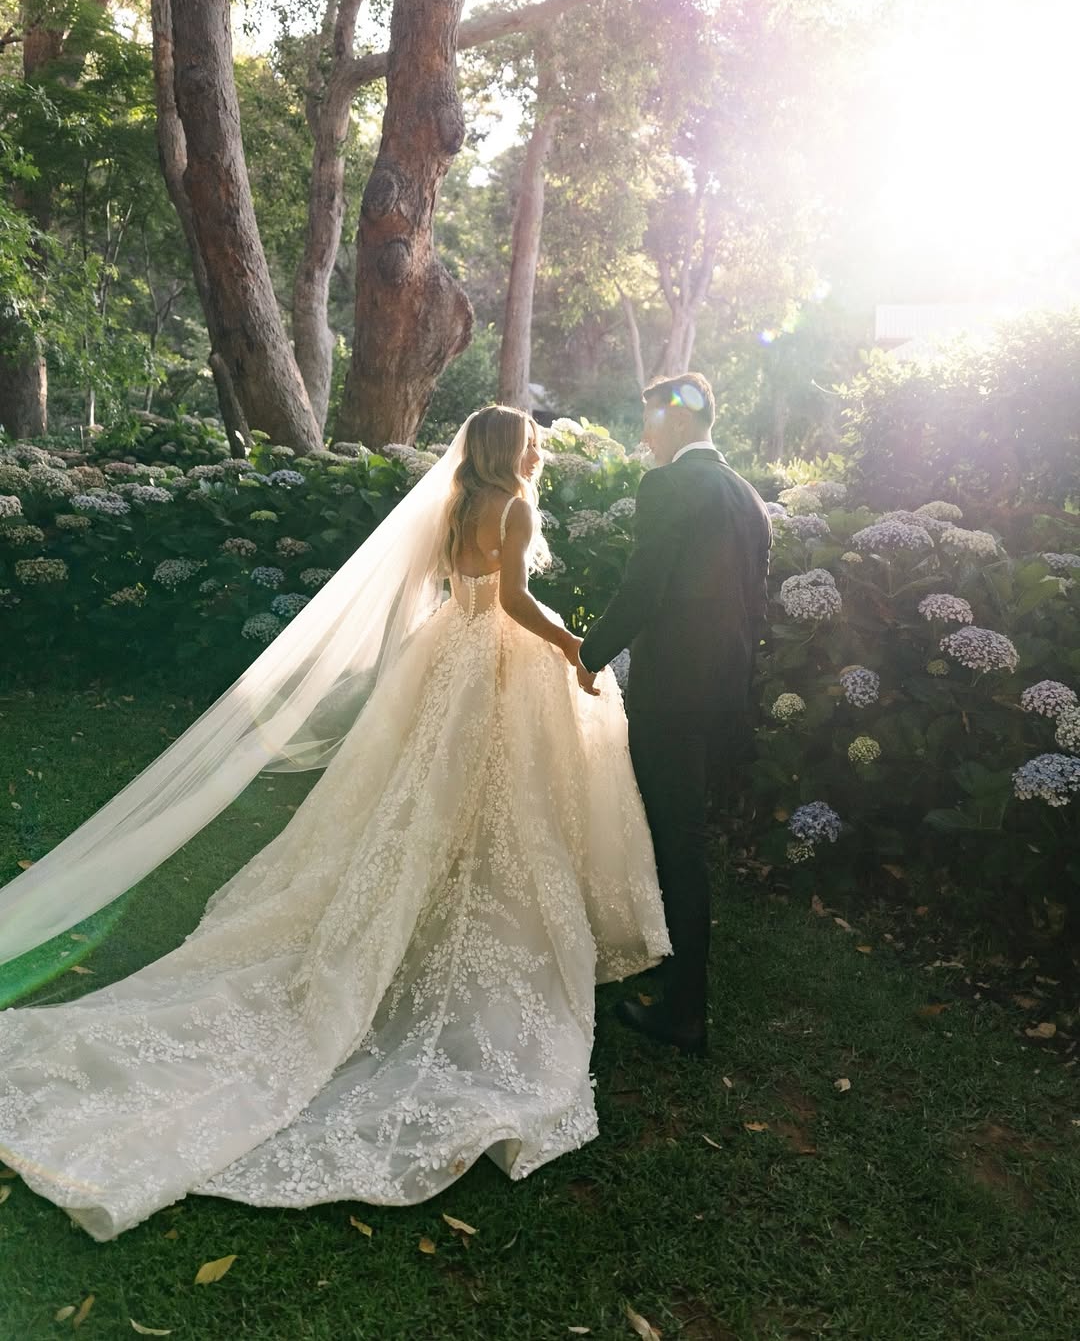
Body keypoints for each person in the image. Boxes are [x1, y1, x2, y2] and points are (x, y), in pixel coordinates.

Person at [0, 406, 670, 1241]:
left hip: (446, 656)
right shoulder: (515, 504)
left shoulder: (459, 499)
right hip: (495, 658)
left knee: (428, 792)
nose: (540, 448)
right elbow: (514, 599)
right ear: (512, 448)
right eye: (532, 437)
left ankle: (435, 883)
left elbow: (445, 590)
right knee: (501, 796)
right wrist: (573, 646)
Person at [578, 373, 772, 1057]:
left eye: (651, 422)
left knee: (678, 841)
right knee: (681, 833)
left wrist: (589, 653)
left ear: (682, 421)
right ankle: (666, 961)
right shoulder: (748, 498)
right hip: (723, 696)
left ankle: (684, 1008)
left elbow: (643, 586)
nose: (644, 436)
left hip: (673, 695)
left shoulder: (669, 487)